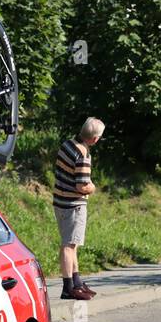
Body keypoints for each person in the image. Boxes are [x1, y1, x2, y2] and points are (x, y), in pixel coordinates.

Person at [54, 117, 103, 300]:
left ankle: (77, 282)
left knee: (72, 244)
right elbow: (82, 186)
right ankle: (68, 287)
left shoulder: (67, 144)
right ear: (95, 138)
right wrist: (93, 187)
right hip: (73, 205)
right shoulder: (83, 154)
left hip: (60, 201)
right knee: (68, 246)